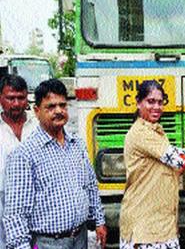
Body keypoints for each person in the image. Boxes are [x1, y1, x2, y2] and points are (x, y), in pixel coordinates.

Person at [3, 78, 107, 249]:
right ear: (37, 111)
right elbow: (16, 214)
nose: (58, 111)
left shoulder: (77, 144)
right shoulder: (24, 154)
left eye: (62, 105)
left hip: (80, 239)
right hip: (48, 243)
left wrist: (99, 221)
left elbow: (90, 187)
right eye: (50, 107)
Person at [119, 80, 185, 249]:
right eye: (151, 101)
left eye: (160, 102)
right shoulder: (141, 133)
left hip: (161, 226)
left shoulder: (155, 131)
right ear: (138, 103)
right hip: (145, 228)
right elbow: (180, 160)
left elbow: (176, 160)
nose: (156, 107)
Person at [0, 75, 38, 249]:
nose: (16, 103)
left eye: (20, 98)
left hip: (37, 200)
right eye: (10, 98)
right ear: (1, 98)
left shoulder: (39, 125)